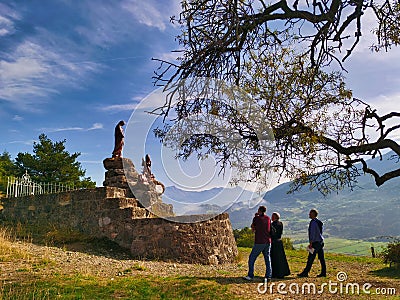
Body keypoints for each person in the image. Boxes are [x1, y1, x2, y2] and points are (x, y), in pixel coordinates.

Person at [243, 206, 272, 283]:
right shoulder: (268, 218)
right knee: (267, 259)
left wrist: (255, 217)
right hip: (268, 241)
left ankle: (250, 275)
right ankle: (268, 276)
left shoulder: (257, 218)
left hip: (259, 241)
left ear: (259, 211)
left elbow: (253, 228)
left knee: (252, 258)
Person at [298, 208, 326, 277]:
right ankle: (323, 272)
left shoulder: (313, 222)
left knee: (310, 258)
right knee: (321, 258)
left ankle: (305, 272)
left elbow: (312, 233)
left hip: (315, 243)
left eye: (310, 213)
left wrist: (311, 243)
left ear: (313, 214)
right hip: (320, 242)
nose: (309, 214)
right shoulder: (318, 222)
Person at [270, 212, 291, 278]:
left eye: (272, 216)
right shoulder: (280, 224)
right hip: (279, 242)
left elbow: (271, 233)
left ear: (275, 217)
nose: (271, 217)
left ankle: (275, 273)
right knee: (281, 258)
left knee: (274, 258)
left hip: (274, 242)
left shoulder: (272, 224)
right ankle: (282, 272)